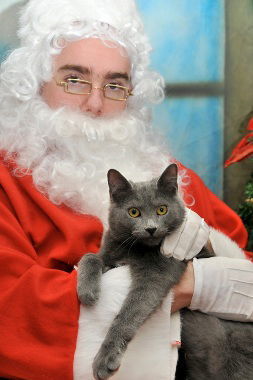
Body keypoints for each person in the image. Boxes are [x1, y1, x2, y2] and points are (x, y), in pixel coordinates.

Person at [0, 0, 252, 379]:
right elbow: (14, 308)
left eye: (115, 85)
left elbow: (244, 265)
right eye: (74, 79)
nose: (95, 103)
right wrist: (179, 288)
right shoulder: (7, 179)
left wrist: (204, 284)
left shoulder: (169, 176)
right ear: (34, 84)